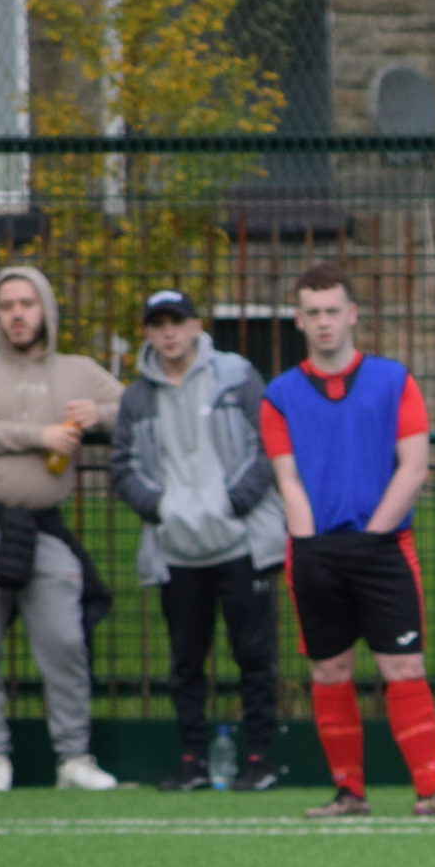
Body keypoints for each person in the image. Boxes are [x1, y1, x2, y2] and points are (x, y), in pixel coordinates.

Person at [260, 261, 435, 819]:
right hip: (313, 551)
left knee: (404, 668)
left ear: (352, 314)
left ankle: (432, 793)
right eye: (312, 313)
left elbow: (413, 467)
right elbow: (286, 477)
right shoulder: (279, 394)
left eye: (333, 310)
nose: (324, 322)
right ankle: (348, 794)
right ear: (298, 320)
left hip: (385, 548)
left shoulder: (394, 380)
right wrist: (309, 542)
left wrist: (373, 534)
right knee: (329, 671)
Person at [0, 266, 127, 792]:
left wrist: (101, 414)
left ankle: (73, 759)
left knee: (65, 640)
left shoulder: (79, 370)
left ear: (45, 308)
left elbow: (135, 405)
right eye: (7, 305)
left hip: (45, 530)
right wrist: (38, 434)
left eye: (27, 303)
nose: (17, 314)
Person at [110, 288, 286, 793]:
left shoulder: (236, 375)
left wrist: (233, 502)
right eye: (158, 323)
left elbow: (267, 442)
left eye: (176, 321)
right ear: (146, 331)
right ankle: (192, 762)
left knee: (254, 656)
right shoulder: (137, 397)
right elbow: (122, 465)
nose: (168, 332)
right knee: (186, 662)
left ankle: (260, 759)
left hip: (241, 544)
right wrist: (161, 508)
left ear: (195, 326)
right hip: (176, 551)